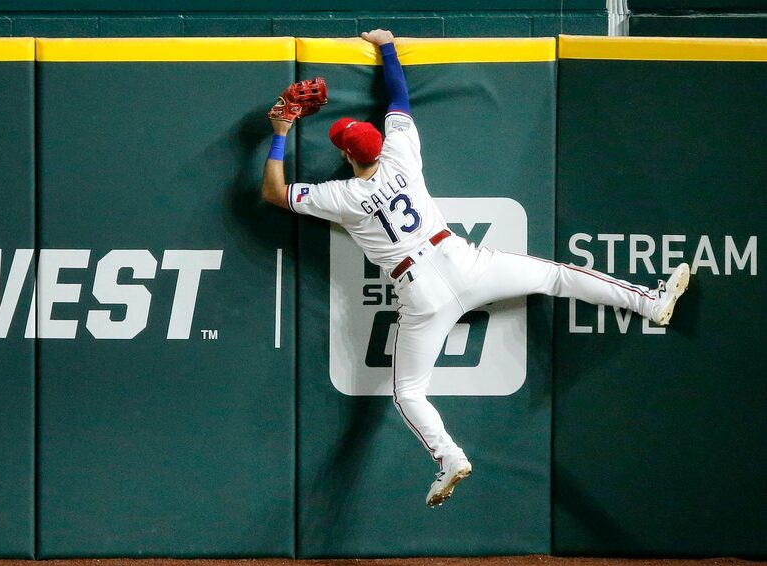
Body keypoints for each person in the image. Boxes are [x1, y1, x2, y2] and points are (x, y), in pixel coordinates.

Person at [261, 29, 690, 507]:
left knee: (407, 393)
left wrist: (279, 136)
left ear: (344, 156)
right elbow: (398, 94)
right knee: (556, 275)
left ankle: (448, 457)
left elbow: (275, 193)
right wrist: (385, 45)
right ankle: (650, 302)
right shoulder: (401, 152)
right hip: (460, 259)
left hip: (419, 289)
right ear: (378, 145)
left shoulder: (342, 196)